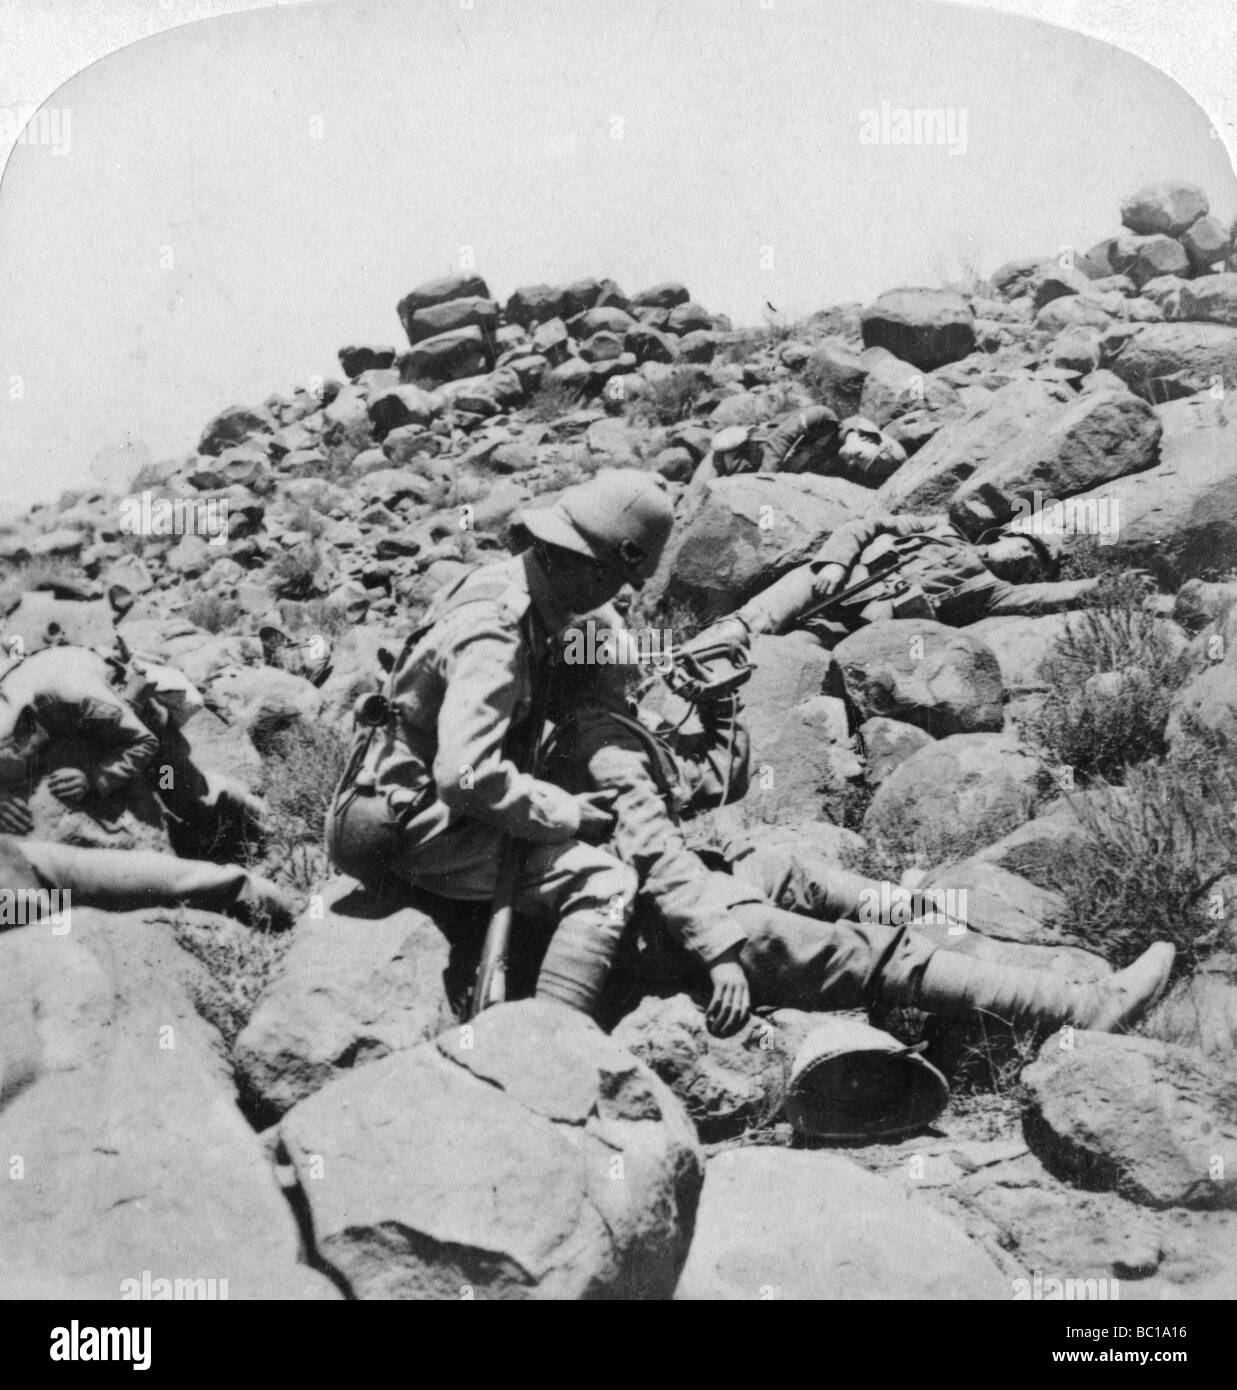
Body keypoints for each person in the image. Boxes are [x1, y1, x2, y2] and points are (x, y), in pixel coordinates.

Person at [541, 658, 1175, 1038]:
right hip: (658, 926)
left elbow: (712, 786)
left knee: (785, 871)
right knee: (868, 953)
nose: (638, 655)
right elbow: (655, 850)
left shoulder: (592, 726)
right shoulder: (603, 744)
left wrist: (722, 706)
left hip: (662, 900)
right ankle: (1081, 1007)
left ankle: (928, 909)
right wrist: (719, 951)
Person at [325, 468, 676, 1019]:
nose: (614, 596)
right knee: (608, 881)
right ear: (593, 571)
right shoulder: (497, 632)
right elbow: (465, 775)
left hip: (407, 791)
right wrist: (564, 814)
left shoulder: (511, 581)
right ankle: (547, 1039)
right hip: (425, 824)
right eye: (615, 580)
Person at [700, 510, 1148, 646]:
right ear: (1009, 535)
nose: (1025, 560)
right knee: (749, 623)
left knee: (784, 654)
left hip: (854, 627)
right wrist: (836, 563)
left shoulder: (994, 593)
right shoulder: (940, 528)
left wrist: (1112, 588)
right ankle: (694, 651)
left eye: (1034, 562)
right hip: (832, 581)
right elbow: (866, 525)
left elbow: (1049, 598)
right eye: (1026, 547)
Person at [0, 644, 265, 859]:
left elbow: (143, 741)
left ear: (27, 727)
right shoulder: (12, 711)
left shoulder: (79, 695)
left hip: (140, 720)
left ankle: (255, 813)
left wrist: (93, 778)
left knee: (182, 793)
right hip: (75, 715)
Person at [0, 834, 295, 929]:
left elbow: (37, 911)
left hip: (63, 879)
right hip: (50, 892)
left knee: (203, 884)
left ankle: (293, 913)